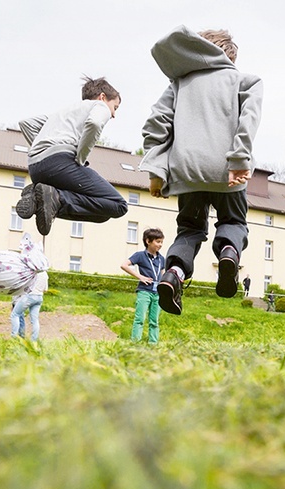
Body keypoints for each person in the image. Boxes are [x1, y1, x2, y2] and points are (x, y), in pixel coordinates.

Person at [140, 26, 263, 315]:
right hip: (227, 172)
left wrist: (157, 172)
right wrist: (239, 160)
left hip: (188, 173)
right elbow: (250, 119)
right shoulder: (245, 80)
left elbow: (156, 124)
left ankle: (173, 275)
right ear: (230, 56)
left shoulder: (180, 84)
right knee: (233, 222)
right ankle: (228, 253)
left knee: (190, 230)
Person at [17, 76, 128, 236]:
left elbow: (27, 124)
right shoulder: (99, 105)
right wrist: (80, 158)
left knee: (102, 214)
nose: (113, 115)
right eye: (115, 107)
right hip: (60, 163)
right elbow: (94, 123)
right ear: (102, 97)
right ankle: (58, 198)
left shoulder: (62, 114)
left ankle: (38, 198)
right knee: (118, 205)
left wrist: (43, 148)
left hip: (36, 169)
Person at [120, 228, 165, 344]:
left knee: (154, 321)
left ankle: (153, 344)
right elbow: (124, 265)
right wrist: (140, 276)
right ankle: (135, 343)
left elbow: (163, 274)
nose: (160, 245)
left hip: (157, 293)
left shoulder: (162, 259)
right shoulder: (140, 255)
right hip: (144, 291)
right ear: (148, 241)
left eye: (161, 242)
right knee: (140, 319)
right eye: (157, 241)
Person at [10, 271, 48, 341]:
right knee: (35, 320)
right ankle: (34, 340)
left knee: (15, 314)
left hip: (30, 295)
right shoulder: (45, 273)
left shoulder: (32, 271)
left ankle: (14, 337)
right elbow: (45, 289)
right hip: (39, 297)